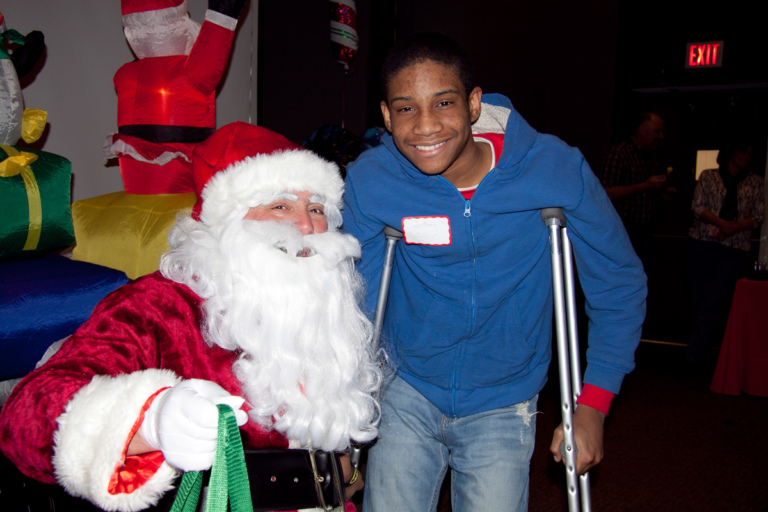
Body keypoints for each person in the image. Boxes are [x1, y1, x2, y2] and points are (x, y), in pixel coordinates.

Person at [0, 122, 381, 511]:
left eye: (316, 209)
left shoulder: (319, 308)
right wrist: (146, 421)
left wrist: (342, 472)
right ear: (227, 224)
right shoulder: (160, 305)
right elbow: (27, 419)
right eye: (280, 206)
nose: (306, 225)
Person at [341, 32, 646, 511]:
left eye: (443, 103)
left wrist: (594, 405)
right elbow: (354, 302)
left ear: (474, 104)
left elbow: (618, 284)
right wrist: (345, 416)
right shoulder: (372, 181)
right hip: (406, 387)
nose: (425, 126)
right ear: (385, 115)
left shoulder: (552, 169)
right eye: (405, 109)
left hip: (505, 398)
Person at [685, 138, 764, 368]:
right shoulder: (709, 176)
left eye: (749, 153)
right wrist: (719, 225)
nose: (745, 157)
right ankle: (702, 353)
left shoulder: (756, 183)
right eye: (742, 151)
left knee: (713, 301)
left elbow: (758, 216)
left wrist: (733, 228)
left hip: (734, 249)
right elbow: (698, 207)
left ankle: (694, 359)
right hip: (702, 243)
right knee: (698, 300)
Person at [599, 112, 671, 268]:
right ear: (643, 130)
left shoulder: (651, 157)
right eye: (657, 131)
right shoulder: (620, 153)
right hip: (624, 233)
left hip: (647, 233)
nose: (661, 136)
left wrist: (661, 193)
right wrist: (645, 186)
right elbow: (606, 193)